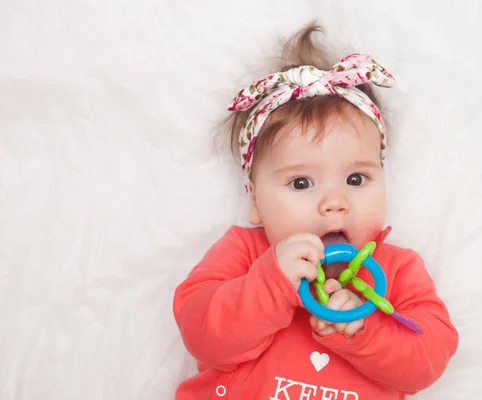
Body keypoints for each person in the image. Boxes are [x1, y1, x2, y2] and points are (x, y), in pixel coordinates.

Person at [172, 22, 458, 400]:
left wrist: (365, 329)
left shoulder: (398, 270)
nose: (334, 202)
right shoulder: (243, 253)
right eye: (302, 183)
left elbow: (428, 360)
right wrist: (270, 284)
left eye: (356, 179)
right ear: (255, 201)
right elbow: (202, 334)